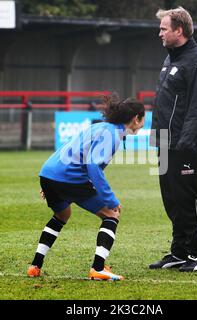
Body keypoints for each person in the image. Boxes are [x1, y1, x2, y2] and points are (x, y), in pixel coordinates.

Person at [27, 95, 145, 280]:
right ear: (136, 118)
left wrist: (51, 183)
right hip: (67, 178)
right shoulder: (113, 135)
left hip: (49, 172)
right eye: (142, 119)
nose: (143, 123)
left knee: (62, 215)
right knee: (111, 214)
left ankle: (35, 265)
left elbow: (70, 150)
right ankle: (98, 269)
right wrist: (111, 199)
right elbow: (93, 167)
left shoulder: (99, 127)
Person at [149, 7, 197, 272]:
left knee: (189, 197)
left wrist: (185, 143)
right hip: (165, 141)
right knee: (171, 198)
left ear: (179, 30)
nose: (160, 33)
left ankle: (195, 253)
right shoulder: (170, 59)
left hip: (186, 145)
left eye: (164, 28)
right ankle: (178, 251)